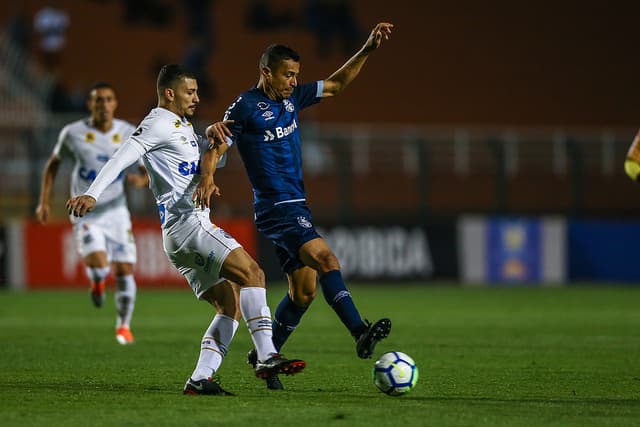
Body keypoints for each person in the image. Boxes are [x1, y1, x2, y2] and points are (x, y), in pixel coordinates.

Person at [65, 64, 306, 395]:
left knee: (229, 306)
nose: (196, 97)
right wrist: (92, 193)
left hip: (178, 235)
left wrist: (212, 143)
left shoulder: (180, 126)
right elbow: (121, 157)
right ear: (169, 93)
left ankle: (200, 379)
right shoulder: (156, 123)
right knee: (253, 274)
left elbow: (199, 166)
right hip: (190, 224)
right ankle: (267, 355)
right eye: (190, 92)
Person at [208, 22, 394, 390]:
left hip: (296, 205)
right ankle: (359, 330)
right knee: (327, 260)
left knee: (303, 292)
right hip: (278, 206)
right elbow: (218, 141)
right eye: (287, 74)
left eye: (297, 75)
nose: (294, 81)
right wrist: (208, 175)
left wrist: (368, 49)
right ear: (267, 72)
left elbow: (337, 85)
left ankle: (267, 357)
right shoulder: (245, 106)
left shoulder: (294, 99)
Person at [36, 82, 147, 345]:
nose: (104, 105)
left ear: (115, 104)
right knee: (99, 264)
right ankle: (97, 282)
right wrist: (44, 202)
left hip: (117, 210)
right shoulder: (72, 133)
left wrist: (141, 182)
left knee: (124, 270)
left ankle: (123, 326)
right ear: (90, 105)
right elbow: (53, 165)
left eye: (109, 99)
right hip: (86, 213)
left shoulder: (129, 132)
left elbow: (146, 171)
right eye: (98, 100)